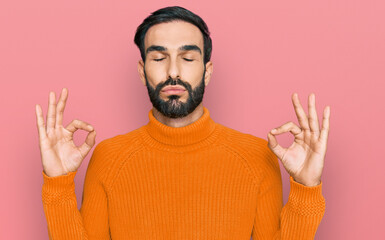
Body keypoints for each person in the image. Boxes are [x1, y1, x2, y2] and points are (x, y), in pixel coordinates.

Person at [35, 6, 330, 240]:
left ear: (208, 71)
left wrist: (306, 186)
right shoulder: (109, 157)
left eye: (188, 58)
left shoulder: (256, 156)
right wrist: (58, 185)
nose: (173, 71)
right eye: (159, 57)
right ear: (142, 71)